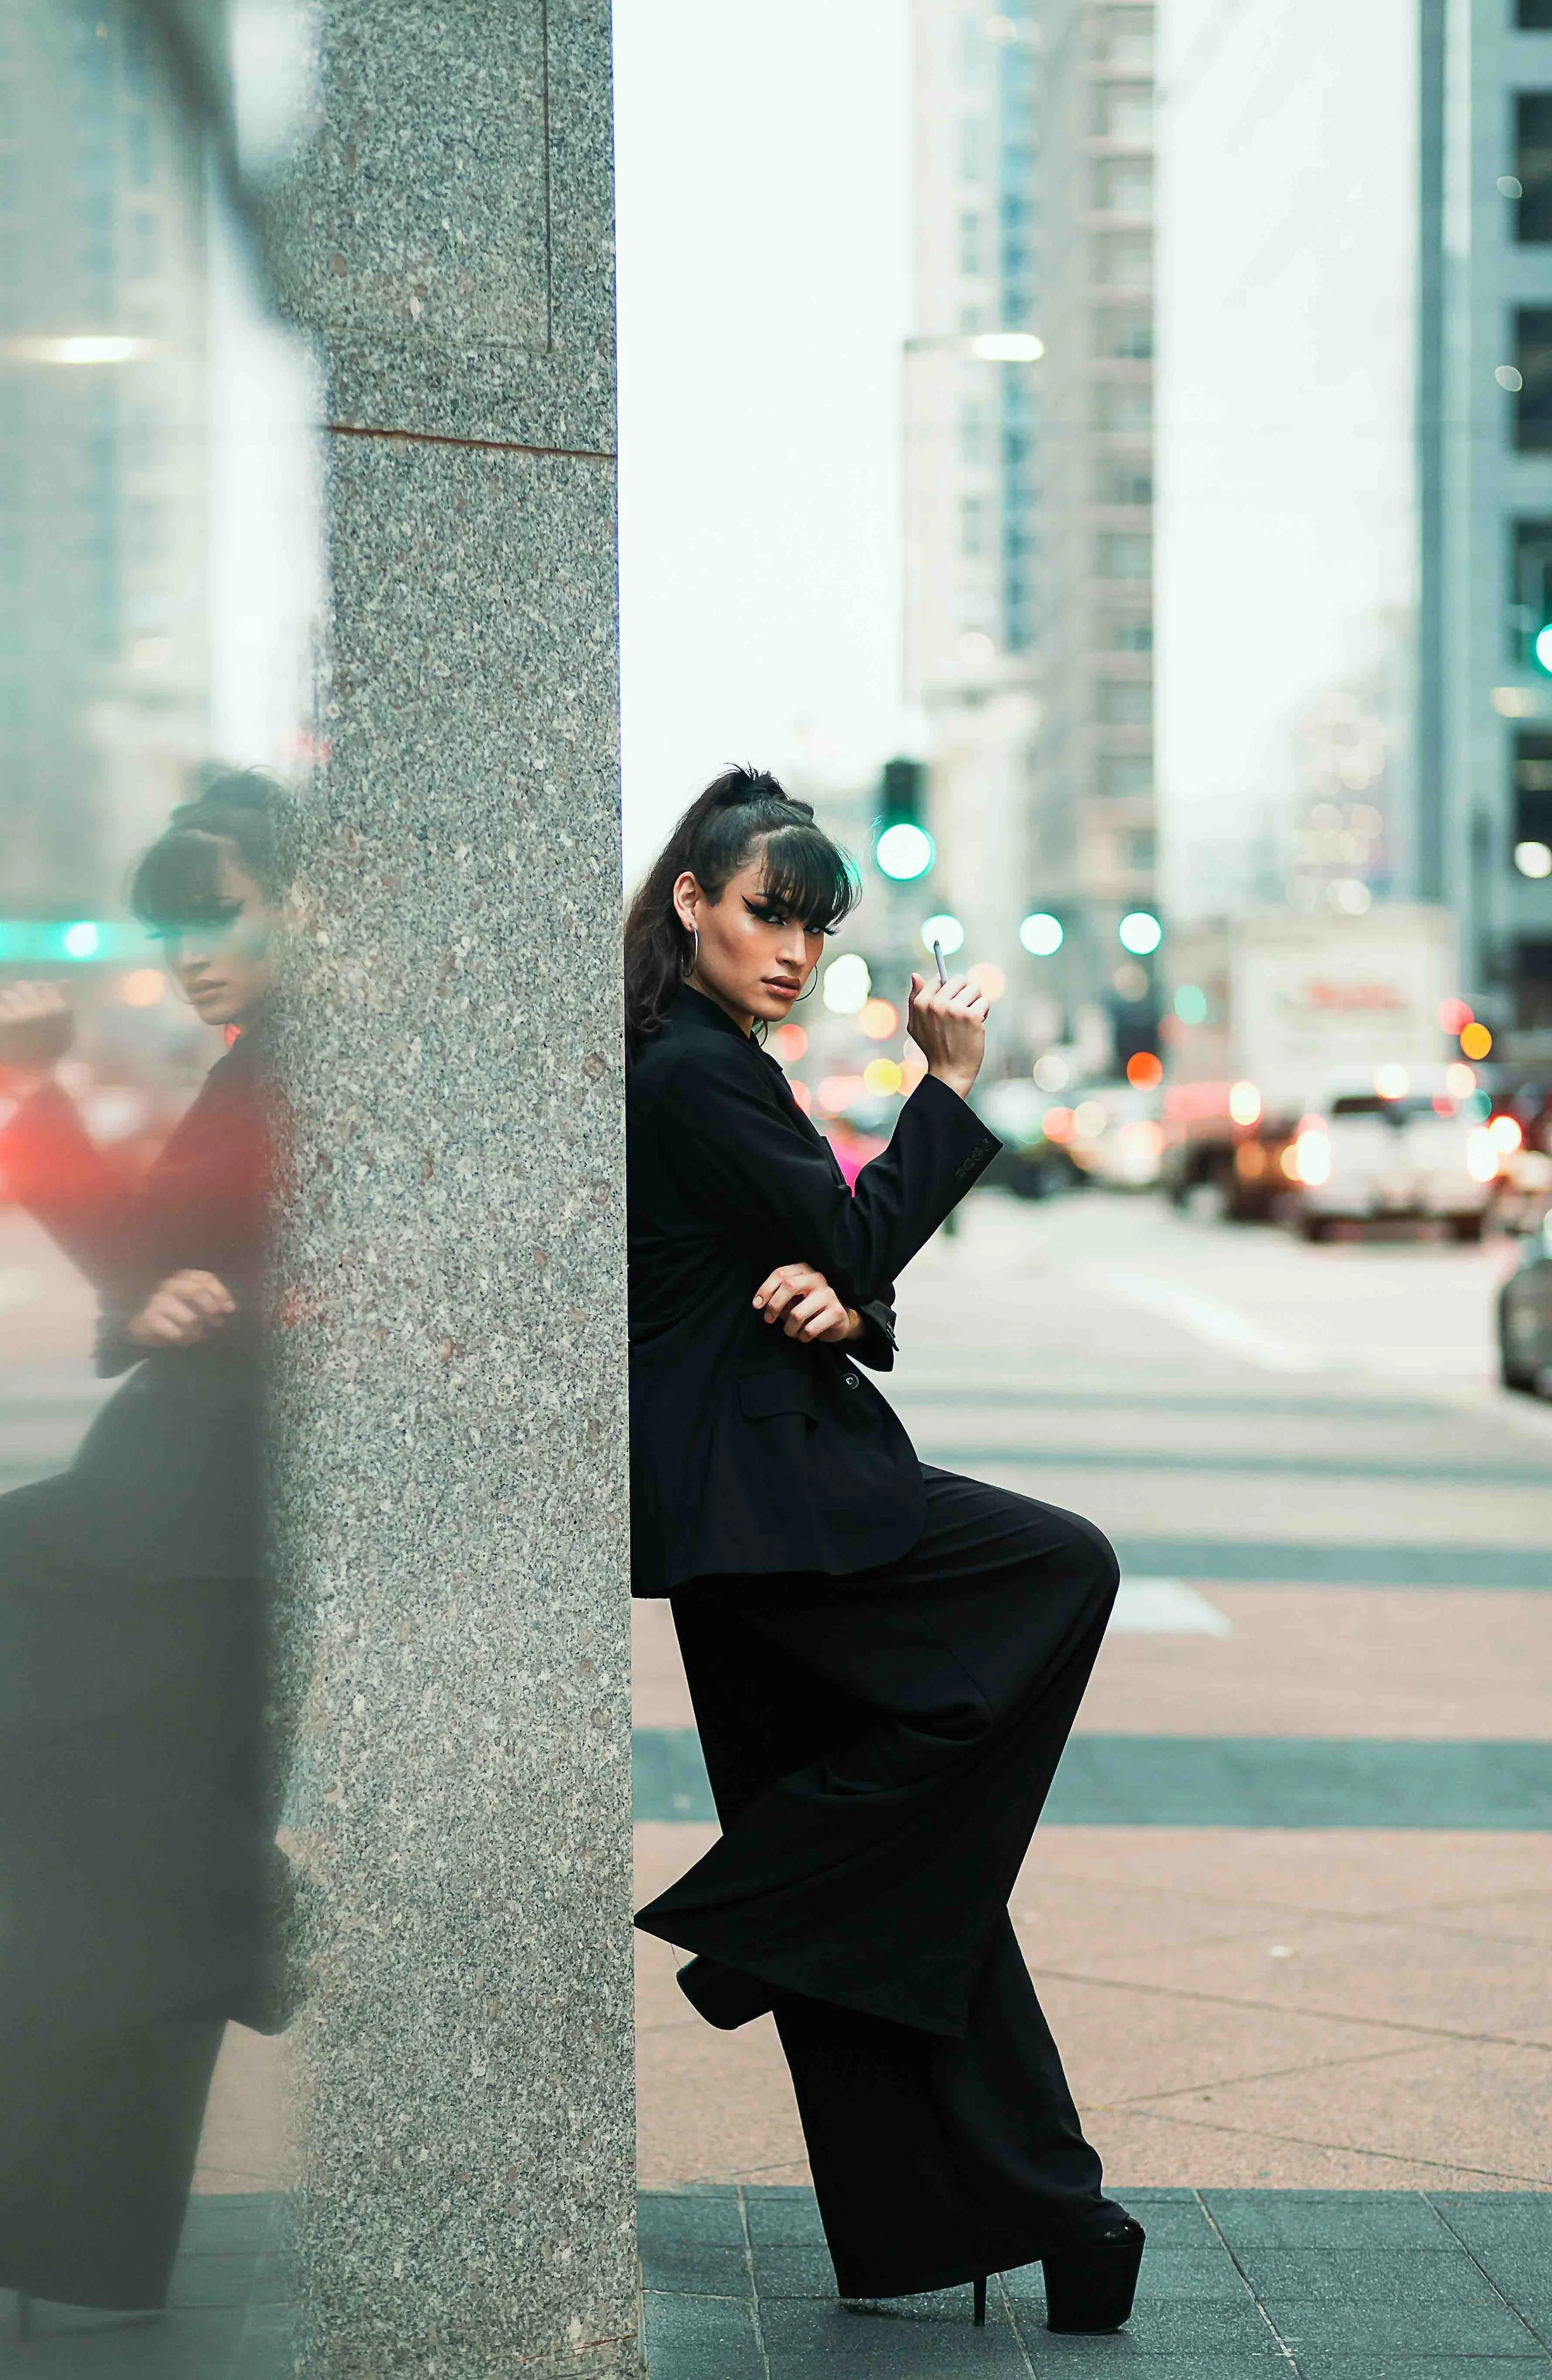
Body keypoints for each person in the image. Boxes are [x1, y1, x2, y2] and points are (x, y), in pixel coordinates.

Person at [625, 767, 1143, 2333]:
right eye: (767, 913)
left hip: (751, 1512)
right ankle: (760, 1915)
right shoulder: (687, 1072)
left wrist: (849, 1297)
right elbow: (842, 1236)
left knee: (914, 1892)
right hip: (775, 1510)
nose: (793, 949)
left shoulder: (700, 1058)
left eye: (815, 925)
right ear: (691, 905)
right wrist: (950, 1082)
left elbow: (822, 1268)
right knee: (1061, 1568)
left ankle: (1013, 2219)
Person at [0, 772, 288, 2326]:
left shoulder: (307, 1067)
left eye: (218, 914)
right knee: (105, 1890)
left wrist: (42, 1113)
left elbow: (199, 1257)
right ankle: (68, 2235)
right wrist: (160, 1296)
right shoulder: (264, 1064)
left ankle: (237, 1905)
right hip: (181, 1491)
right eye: (171, 931)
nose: (193, 956)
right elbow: (166, 1256)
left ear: (308, 898)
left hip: (204, 1511)